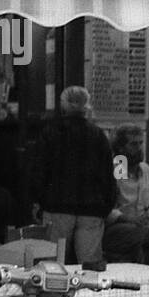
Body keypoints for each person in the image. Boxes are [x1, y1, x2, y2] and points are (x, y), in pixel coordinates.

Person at [31, 86, 119, 267]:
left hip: (57, 207)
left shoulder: (51, 132)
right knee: (89, 267)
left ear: (63, 104)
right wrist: (106, 205)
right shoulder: (98, 135)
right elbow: (108, 175)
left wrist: (39, 201)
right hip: (92, 209)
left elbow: (39, 170)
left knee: (53, 265)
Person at [103, 124, 149, 263]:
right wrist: (130, 219)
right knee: (144, 235)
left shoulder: (145, 169)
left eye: (140, 143)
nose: (139, 148)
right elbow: (106, 208)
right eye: (133, 144)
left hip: (145, 222)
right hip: (118, 227)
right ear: (120, 148)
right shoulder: (114, 169)